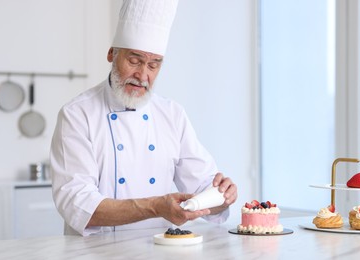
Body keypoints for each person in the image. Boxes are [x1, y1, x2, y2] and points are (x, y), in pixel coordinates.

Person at [50, 0, 237, 236]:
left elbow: (203, 190)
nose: (143, 76)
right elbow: (77, 204)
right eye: (134, 61)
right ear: (111, 54)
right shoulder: (77, 115)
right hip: (96, 253)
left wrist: (222, 195)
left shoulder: (172, 114)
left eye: (153, 65)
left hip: (157, 249)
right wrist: (155, 206)